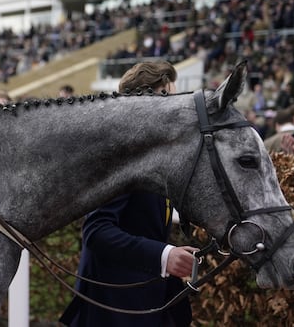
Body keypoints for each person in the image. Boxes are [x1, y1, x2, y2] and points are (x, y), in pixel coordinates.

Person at [60, 60, 195, 327]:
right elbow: (96, 232)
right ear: (142, 100)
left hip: (143, 305)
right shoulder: (117, 153)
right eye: (166, 96)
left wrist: (169, 253)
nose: (174, 104)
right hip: (112, 310)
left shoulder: (150, 150)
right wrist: (165, 256)